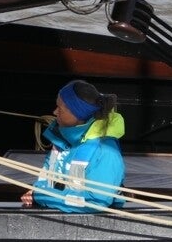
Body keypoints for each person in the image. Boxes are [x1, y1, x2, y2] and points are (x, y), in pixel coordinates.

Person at [21, 80, 125, 212]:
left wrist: (43, 196)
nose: (54, 112)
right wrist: (36, 191)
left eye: (60, 108)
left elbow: (96, 201)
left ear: (78, 114)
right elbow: (44, 180)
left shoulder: (105, 151)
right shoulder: (60, 141)